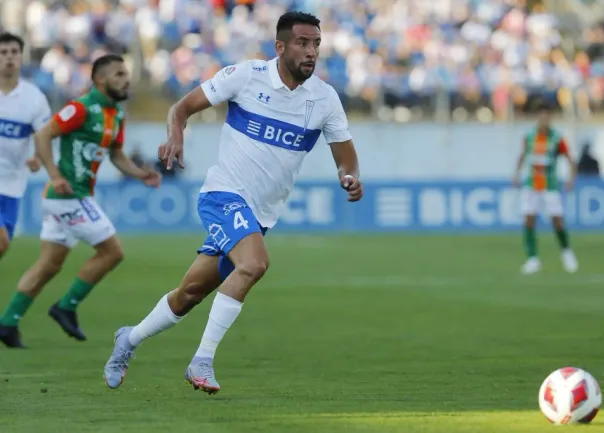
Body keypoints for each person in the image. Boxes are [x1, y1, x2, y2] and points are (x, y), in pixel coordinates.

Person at [103, 11, 363, 393]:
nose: (312, 52)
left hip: (260, 215)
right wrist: (176, 135)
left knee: (189, 294)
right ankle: (202, 361)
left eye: (316, 44)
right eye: (303, 43)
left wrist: (349, 176)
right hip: (223, 195)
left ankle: (129, 339)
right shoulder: (246, 76)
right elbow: (182, 107)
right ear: (281, 46)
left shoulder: (324, 99)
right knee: (255, 263)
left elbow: (346, 155)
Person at [0, 54, 162, 348]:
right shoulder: (81, 108)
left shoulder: (117, 115)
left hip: (73, 196)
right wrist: (54, 174)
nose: (126, 79)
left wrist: (140, 174)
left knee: (48, 265)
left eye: (126, 74)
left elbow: (116, 155)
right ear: (100, 80)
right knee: (112, 252)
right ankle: (66, 306)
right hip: (67, 195)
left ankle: (8, 323)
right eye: (119, 74)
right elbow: (43, 135)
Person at [0, 32, 51, 261]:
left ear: (21, 57)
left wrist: (38, 158)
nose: (9, 57)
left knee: (3, 245)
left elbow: (44, 135)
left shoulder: (34, 98)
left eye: (14, 52)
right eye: (3, 52)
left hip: (12, 184)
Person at [512, 103, 578, 275]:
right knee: (528, 219)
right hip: (532, 184)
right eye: (541, 116)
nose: (544, 120)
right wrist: (516, 174)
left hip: (550, 185)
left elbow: (570, 159)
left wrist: (571, 178)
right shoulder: (530, 136)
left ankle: (566, 252)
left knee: (557, 220)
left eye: (547, 117)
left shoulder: (557, 138)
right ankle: (532, 259)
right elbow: (522, 155)